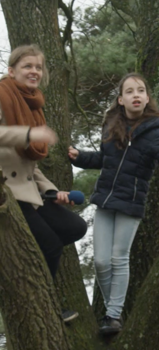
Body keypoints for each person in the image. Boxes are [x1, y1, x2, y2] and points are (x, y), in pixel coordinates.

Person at [68, 72, 159, 334]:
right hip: (105, 200)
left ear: (147, 98)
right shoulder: (112, 125)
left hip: (131, 203)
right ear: (121, 100)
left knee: (118, 257)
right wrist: (79, 157)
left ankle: (113, 316)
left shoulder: (156, 133)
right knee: (101, 261)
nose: (136, 95)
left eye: (140, 91)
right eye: (130, 91)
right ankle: (112, 310)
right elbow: (105, 159)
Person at [0, 44, 87, 322]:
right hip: (6, 191)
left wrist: (51, 191)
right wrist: (28, 134)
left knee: (74, 227)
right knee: (49, 244)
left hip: (27, 189)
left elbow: (29, 166)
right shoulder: (2, 95)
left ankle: (19, 265)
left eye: (38, 67)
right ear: (12, 71)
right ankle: (44, 310)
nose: (34, 71)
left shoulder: (33, 103)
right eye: (27, 66)